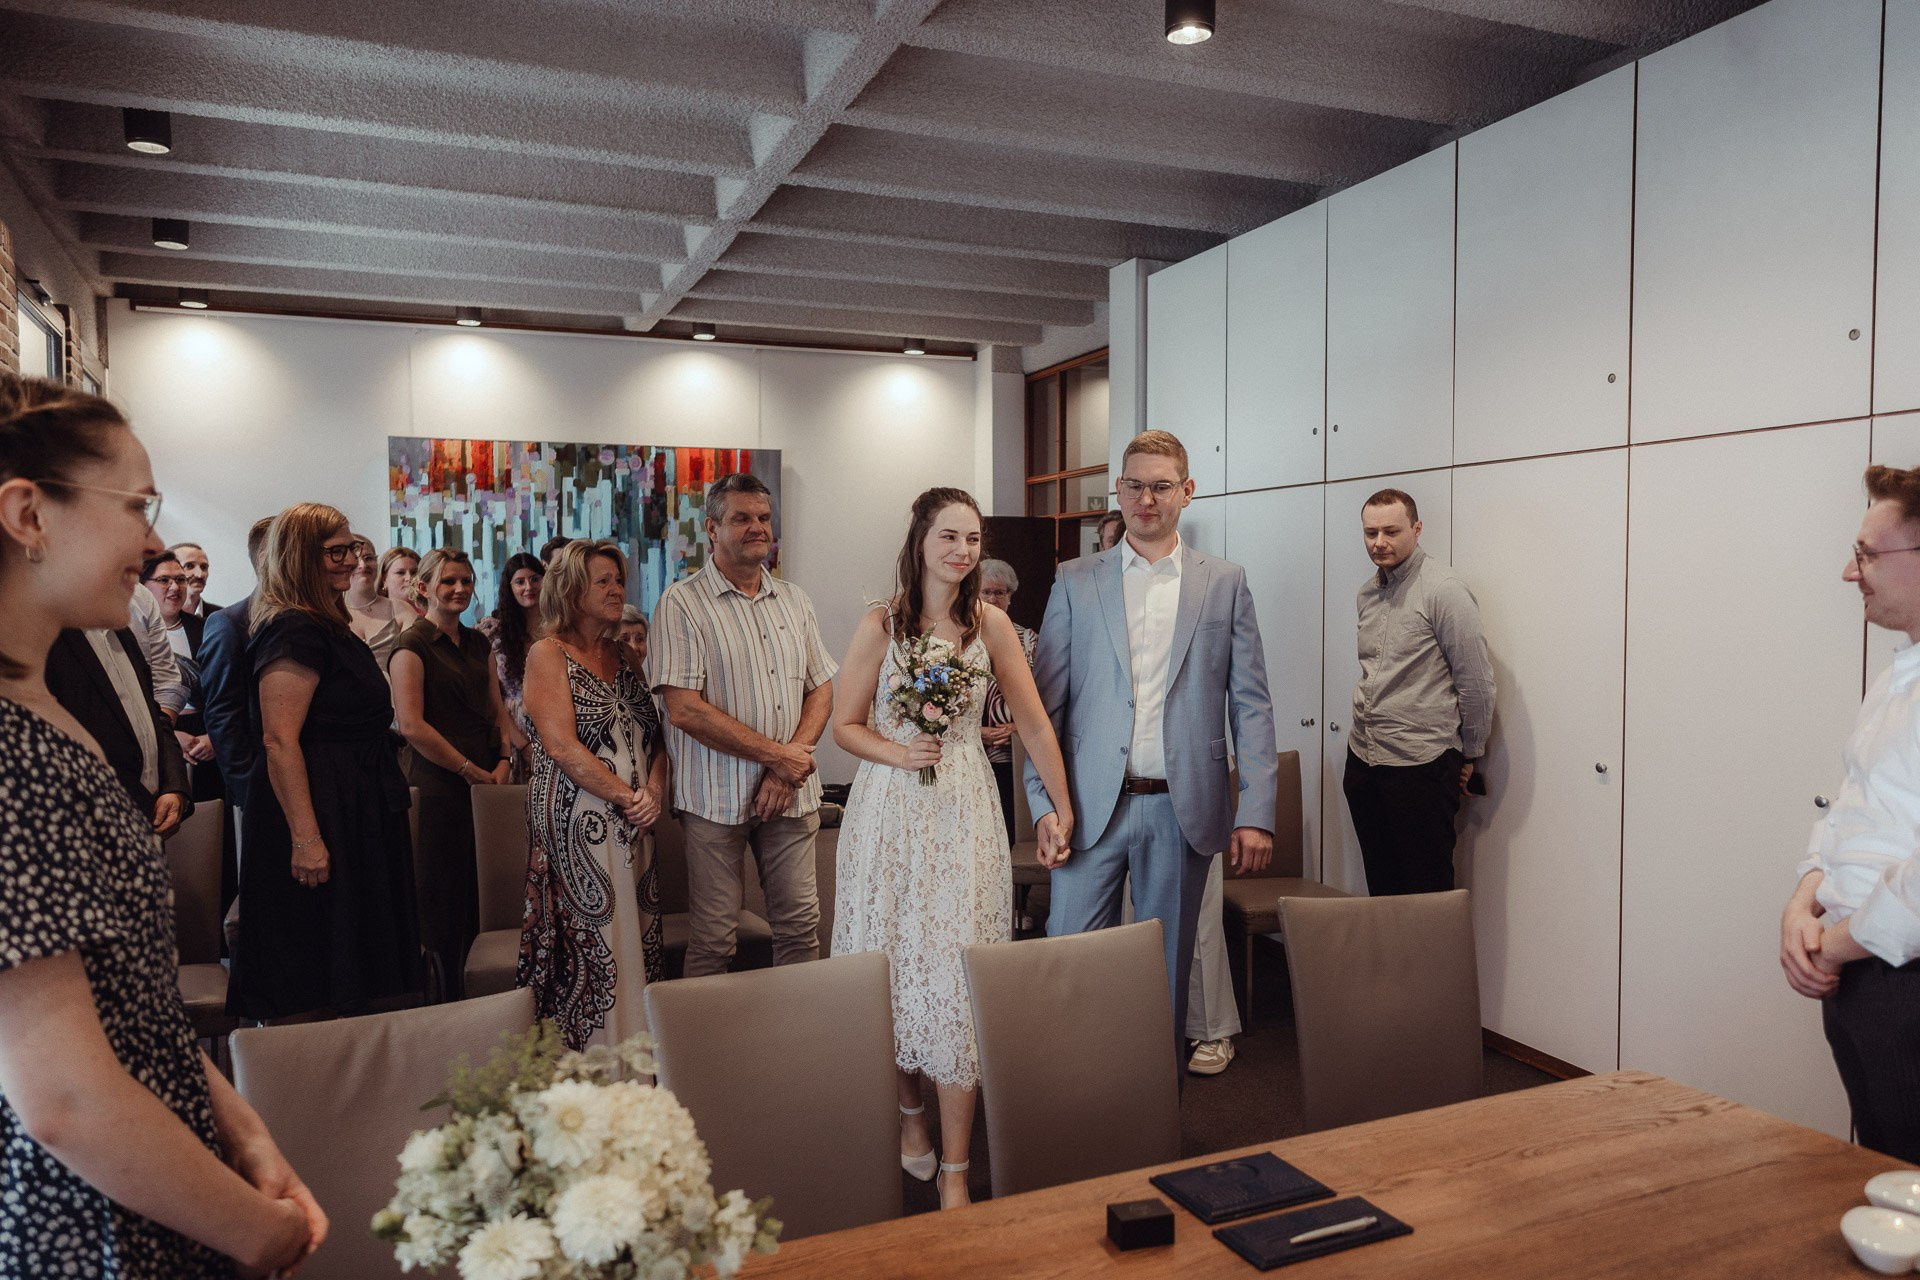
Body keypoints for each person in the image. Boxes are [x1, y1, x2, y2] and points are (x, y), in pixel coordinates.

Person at [0, 371, 325, 1276]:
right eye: (137, 506)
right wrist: (259, 1232)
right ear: (28, 515)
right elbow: (64, 1100)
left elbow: (130, 996)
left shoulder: (48, 704)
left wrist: (241, 1129)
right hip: (94, 1223)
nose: (152, 544)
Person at [834, 489, 1073, 1210]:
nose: (963, 551)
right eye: (949, 536)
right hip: (888, 813)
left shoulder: (990, 624)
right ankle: (911, 1115)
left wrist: (1060, 806)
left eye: (972, 539)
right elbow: (845, 726)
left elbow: (1034, 724)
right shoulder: (880, 624)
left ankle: (959, 1169)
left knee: (955, 978)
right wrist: (897, 751)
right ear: (920, 540)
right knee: (890, 967)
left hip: (965, 809)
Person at [1025, 429, 1279, 1063]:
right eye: (1135, 486)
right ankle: (1071, 1097)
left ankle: (1154, 1106)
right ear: (1118, 490)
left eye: (1161, 487)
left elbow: (1251, 705)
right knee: (1071, 965)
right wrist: (1043, 804)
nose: (1146, 499)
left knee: (1166, 979)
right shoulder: (1074, 581)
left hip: (1180, 810)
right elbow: (1042, 712)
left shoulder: (1225, 583)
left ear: (1186, 492)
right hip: (1087, 809)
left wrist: (1255, 812)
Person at [227, 503, 422, 1021]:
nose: (353, 561)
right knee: (319, 965)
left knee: (361, 959)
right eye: (337, 552)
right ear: (300, 557)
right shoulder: (293, 629)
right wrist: (306, 839)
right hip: (321, 810)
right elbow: (279, 740)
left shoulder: (325, 623)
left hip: (353, 804)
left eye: (352, 548)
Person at [1782, 464, 1920, 1163]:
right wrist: (1804, 899)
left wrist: (1834, 945)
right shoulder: (1898, 675)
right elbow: (1852, 803)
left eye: (1866, 555)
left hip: (1902, 979)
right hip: (1856, 970)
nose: (1849, 572)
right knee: (1881, 1166)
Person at [652, 472, 837, 976]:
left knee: (800, 928)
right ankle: (701, 1032)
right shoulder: (681, 603)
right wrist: (777, 756)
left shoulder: (795, 600)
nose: (757, 527)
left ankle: (792, 1026)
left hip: (790, 795)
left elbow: (821, 689)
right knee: (715, 938)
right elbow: (684, 709)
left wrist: (784, 769)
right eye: (742, 518)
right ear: (712, 528)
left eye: (763, 518)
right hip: (714, 799)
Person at [519, 540, 668, 1049]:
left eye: (617, 579)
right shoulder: (547, 653)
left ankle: (641, 1059)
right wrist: (630, 797)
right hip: (578, 826)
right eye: (602, 581)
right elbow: (561, 746)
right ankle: (593, 1063)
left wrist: (653, 791)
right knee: (594, 947)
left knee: (637, 935)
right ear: (570, 590)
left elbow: (656, 737)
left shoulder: (624, 653)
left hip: (636, 821)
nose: (615, 589)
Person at [1341, 489, 1494, 897]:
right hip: (1364, 759)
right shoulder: (1366, 593)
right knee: (1382, 891)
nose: (1379, 542)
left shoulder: (1444, 590)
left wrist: (1470, 753)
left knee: (1428, 896)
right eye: (1370, 533)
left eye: (1391, 531)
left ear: (1417, 528)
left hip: (1421, 764)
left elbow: (1476, 682)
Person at [391, 548, 512, 1000]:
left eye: (466, 580)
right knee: (439, 898)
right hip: (436, 783)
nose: (460, 589)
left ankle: (484, 1001)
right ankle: (442, 1004)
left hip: (486, 781)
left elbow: (497, 709)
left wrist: (503, 761)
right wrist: (467, 769)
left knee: (481, 894)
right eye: (448, 581)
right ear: (423, 588)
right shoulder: (411, 645)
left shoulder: (479, 643)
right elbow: (411, 726)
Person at [200, 516, 272, 813]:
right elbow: (223, 716)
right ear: (266, 558)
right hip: (260, 788)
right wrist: (250, 792)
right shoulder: (228, 623)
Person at [144, 549, 222, 804]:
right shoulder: (129, 633)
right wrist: (171, 736)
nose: (175, 587)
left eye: (180, 580)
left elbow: (226, 691)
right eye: (164, 580)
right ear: (142, 586)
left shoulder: (208, 628)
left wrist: (213, 737)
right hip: (156, 735)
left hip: (205, 738)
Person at [976, 558, 1037, 844]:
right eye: (986, 592)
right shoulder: (958, 639)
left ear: (1010, 596)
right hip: (971, 752)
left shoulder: (1029, 640)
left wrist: (1016, 728)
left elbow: (1047, 695)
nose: (992, 599)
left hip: (1015, 754)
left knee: (1010, 830)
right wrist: (978, 732)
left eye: (1000, 593)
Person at [478, 551, 543, 781]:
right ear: (509, 587)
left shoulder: (559, 629)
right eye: (520, 581)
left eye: (535, 579)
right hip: (509, 734)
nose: (529, 587)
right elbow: (490, 697)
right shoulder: (494, 632)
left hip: (551, 728)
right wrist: (522, 745)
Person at [350, 544, 418, 673]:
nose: (409, 578)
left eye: (368, 558)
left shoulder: (404, 611)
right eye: (400, 572)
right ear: (384, 579)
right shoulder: (330, 613)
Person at [171, 540, 216, 616]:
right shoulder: (154, 616)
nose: (200, 574)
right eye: (189, 566)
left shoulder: (221, 618)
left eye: (204, 567)